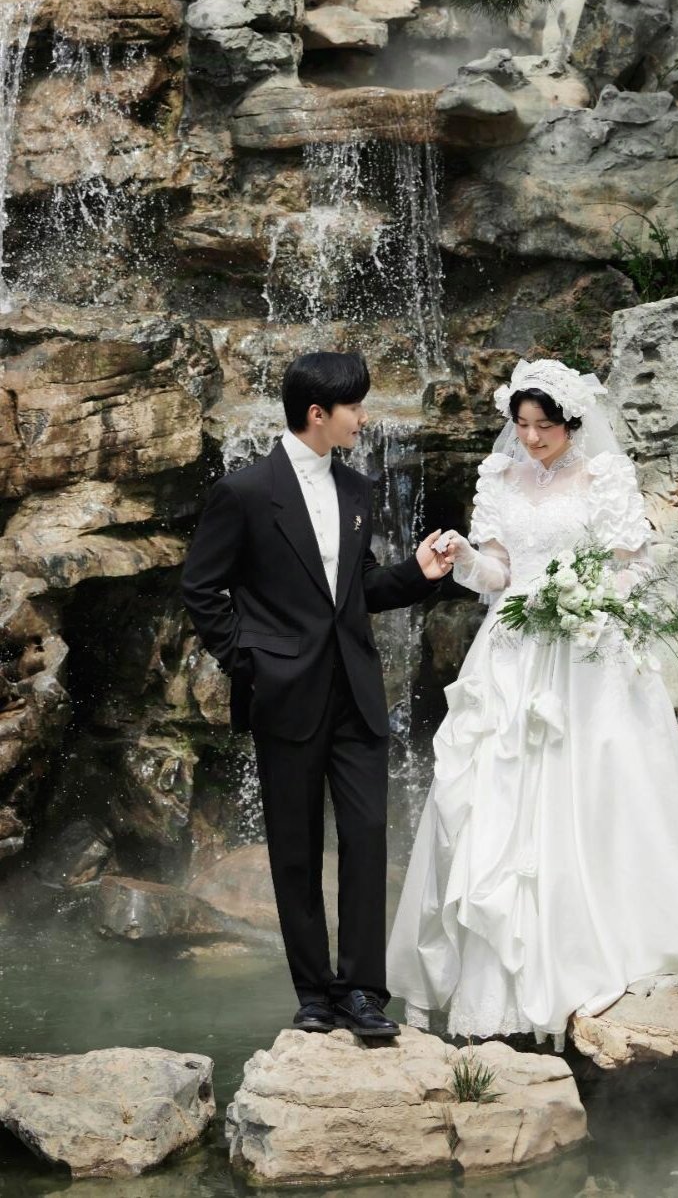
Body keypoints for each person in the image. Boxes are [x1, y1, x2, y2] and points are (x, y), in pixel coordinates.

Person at [387, 357, 678, 1045]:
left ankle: (606, 941)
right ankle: (496, 978)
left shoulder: (605, 476)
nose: (531, 439)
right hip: (513, 651)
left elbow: (632, 568)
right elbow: (499, 574)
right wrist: (465, 557)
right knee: (492, 798)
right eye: (522, 425)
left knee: (597, 787)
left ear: (571, 422)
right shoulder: (499, 477)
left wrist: (588, 602)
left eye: (545, 426)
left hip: (587, 653)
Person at [181, 350, 455, 1038]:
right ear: (317, 413)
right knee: (295, 850)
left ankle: (363, 993)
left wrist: (418, 573)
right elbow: (201, 588)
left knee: (365, 842)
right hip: (285, 696)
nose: (363, 418)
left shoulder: (357, 490)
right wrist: (250, 661)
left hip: (357, 694)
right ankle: (314, 994)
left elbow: (358, 592)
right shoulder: (245, 492)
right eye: (354, 407)